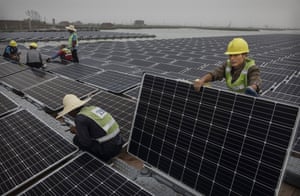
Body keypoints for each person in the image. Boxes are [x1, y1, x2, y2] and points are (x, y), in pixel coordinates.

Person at [56, 94, 124, 162]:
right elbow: (96, 127)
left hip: (109, 151)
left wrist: (76, 131)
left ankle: (101, 159)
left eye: (68, 112)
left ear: (71, 111)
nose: (68, 114)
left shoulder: (79, 118)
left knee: (76, 140)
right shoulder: (93, 108)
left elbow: (86, 143)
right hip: (119, 143)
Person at [193, 37, 261, 96]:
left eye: (235, 55)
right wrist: (202, 80)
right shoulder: (227, 65)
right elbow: (215, 73)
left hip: (247, 101)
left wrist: (251, 89)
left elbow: (255, 80)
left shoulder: (252, 68)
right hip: (233, 98)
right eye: (230, 55)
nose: (232, 58)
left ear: (244, 55)